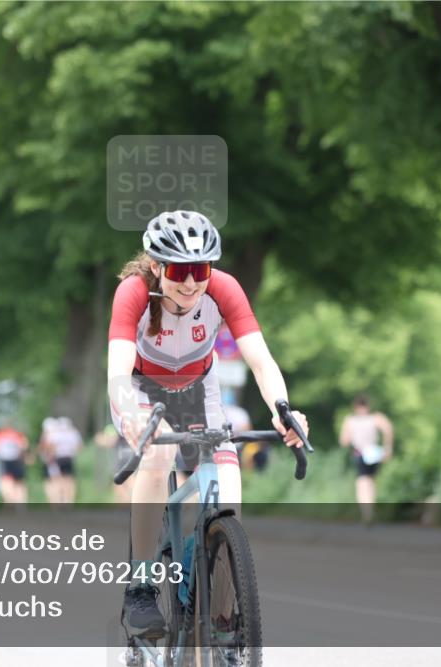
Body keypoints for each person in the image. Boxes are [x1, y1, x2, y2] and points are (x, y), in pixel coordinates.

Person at [107, 210, 309, 638]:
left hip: (199, 389)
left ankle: (219, 613)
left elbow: (260, 359)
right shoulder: (134, 293)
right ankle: (140, 585)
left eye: (200, 269)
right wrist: (133, 414)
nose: (191, 282)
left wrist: (282, 408)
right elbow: (118, 373)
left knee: (228, 495)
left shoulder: (223, 289)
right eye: (180, 270)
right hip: (142, 389)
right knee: (159, 457)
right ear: (158, 266)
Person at [338, 394, 394, 523]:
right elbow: (388, 429)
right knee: (371, 481)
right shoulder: (376, 418)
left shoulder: (351, 420)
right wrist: (387, 448)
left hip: (361, 454)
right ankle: (371, 509)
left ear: (355, 407)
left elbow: (344, 441)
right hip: (374, 454)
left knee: (362, 483)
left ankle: (366, 513)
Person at [0, 422, 29, 504]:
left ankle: (10, 501)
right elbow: (24, 446)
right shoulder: (17, 434)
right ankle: (20, 502)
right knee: (18, 482)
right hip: (16, 460)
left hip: (5, 461)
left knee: (6, 482)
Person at [50, 417, 82, 504]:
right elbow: (79, 447)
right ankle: (69, 500)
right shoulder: (73, 433)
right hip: (69, 457)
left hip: (59, 458)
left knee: (59, 480)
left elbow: (52, 447)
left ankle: (62, 499)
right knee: (69, 480)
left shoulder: (57, 434)